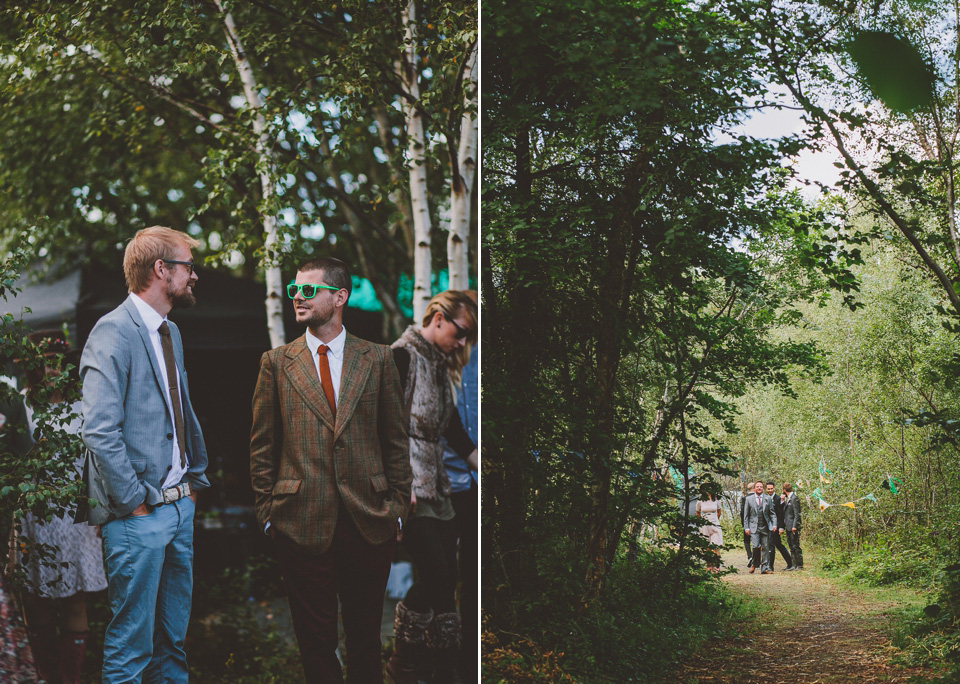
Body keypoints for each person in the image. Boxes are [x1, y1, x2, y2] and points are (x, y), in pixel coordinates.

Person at [250, 257, 412, 684]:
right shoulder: (276, 362)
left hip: (369, 517)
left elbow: (395, 440)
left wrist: (397, 507)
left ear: (339, 297)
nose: (298, 299)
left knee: (365, 639)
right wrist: (268, 514)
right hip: (299, 519)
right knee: (314, 640)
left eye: (309, 290)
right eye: (294, 291)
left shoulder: (377, 359)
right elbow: (263, 444)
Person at [79, 226, 210, 683]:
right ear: (161, 270)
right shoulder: (113, 331)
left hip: (179, 511)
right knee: (132, 646)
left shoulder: (169, 330)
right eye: (188, 267)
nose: (193, 277)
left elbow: (176, 417)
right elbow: (97, 428)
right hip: (139, 515)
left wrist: (191, 487)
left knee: (170, 643)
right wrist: (134, 500)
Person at [389, 290, 478, 684]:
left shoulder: (442, 364)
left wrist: (483, 464)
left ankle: (443, 669)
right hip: (409, 488)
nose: (463, 344)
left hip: (439, 485)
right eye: (461, 332)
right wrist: (398, 482)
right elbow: (384, 426)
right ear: (438, 318)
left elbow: (452, 429)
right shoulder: (401, 356)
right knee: (438, 574)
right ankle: (402, 663)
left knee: (448, 579)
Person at [15, 331, 107, 684]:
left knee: (75, 599)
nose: (51, 369)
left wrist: (99, 508)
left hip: (76, 514)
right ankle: (44, 675)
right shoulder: (20, 404)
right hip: (32, 517)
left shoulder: (82, 403)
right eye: (43, 362)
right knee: (34, 600)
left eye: (56, 361)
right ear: (32, 365)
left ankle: (71, 677)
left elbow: (97, 460)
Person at [440, 290, 478, 683]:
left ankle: (467, 667)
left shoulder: (480, 353)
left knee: (472, 579)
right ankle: (433, 664)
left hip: (475, 484)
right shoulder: (436, 353)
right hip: (442, 481)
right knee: (438, 578)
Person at [743, 480, 777, 574]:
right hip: (754, 527)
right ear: (754, 488)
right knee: (756, 546)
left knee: (766, 547)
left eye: (761, 487)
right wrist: (746, 527)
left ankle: (764, 568)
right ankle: (754, 563)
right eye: (757, 487)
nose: (759, 488)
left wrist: (774, 524)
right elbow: (746, 515)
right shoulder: (749, 499)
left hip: (765, 526)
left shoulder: (767, 499)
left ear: (763, 488)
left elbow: (772, 514)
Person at [765, 480, 793, 572]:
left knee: (771, 545)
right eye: (768, 489)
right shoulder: (765, 498)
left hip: (776, 526)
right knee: (778, 545)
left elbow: (781, 514)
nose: (769, 490)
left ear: (774, 488)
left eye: (771, 489)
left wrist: (781, 527)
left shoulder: (778, 499)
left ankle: (770, 566)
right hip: (768, 526)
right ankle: (790, 562)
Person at [696, 491, 723, 572]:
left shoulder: (716, 500)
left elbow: (719, 511)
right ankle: (709, 565)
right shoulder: (700, 501)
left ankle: (717, 566)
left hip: (715, 525)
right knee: (707, 547)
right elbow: (697, 512)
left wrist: (715, 520)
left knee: (716, 546)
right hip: (704, 526)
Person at [783, 483, 804, 570]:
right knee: (791, 545)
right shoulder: (788, 498)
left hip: (793, 526)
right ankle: (793, 564)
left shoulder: (794, 498)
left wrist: (795, 526)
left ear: (784, 490)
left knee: (795, 545)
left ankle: (799, 565)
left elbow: (797, 514)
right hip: (788, 525)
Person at [740, 481, 758, 567]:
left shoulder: (744, 498)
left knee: (747, 541)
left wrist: (744, 525)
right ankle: (756, 559)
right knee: (756, 542)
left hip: (747, 523)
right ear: (754, 488)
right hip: (756, 524)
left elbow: (742, 513)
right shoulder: (757, 498)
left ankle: (750, 556)